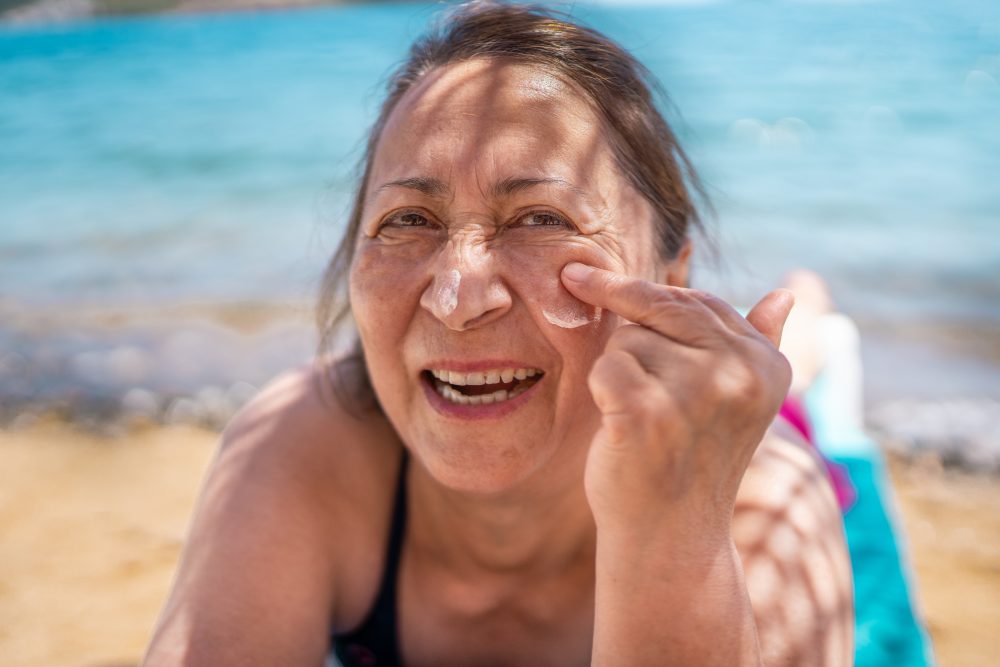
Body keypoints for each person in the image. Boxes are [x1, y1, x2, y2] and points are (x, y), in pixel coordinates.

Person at [143, 3, 854, 665]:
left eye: (541, 219)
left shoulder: (768, 494)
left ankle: (810, 317)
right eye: (408, 220)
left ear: (672, 279)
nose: (458, 299)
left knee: (793, 369)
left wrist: (676, 532)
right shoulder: (302, 441)